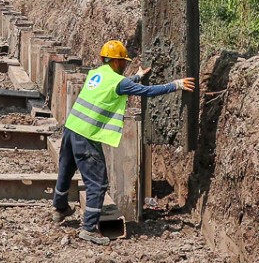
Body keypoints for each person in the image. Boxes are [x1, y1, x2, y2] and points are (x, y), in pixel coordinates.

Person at [53, 40, 194, 245]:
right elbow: (147, 91)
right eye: (123, 63)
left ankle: (59, 209)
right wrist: (175, 85)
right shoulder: (119, 81)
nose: (124, 66)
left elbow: (115, 87)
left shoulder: (96, 74)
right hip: (87, 135)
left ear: (103, 59)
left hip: (71, 128)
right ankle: (89, 228)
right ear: (118, 62)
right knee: (98, 183)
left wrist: (136, 77)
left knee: (65, 170)